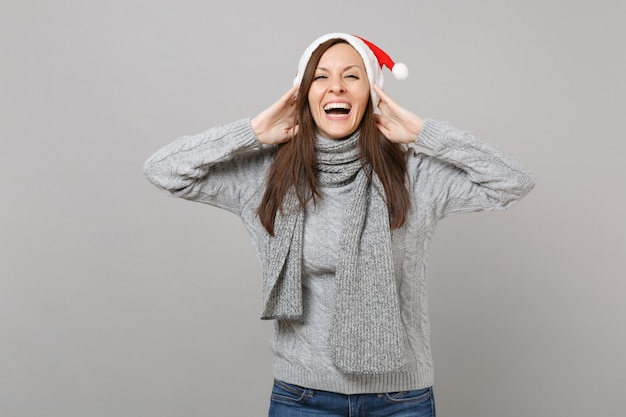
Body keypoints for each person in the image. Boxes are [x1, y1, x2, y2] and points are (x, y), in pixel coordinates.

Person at [143, 33, 534, 417]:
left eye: (352, 76)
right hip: (302, 397)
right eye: (321, 76)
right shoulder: (266, 174)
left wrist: (426, 134)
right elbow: (162, 170)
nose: (336, 88)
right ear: (303, 94)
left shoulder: (413, 173)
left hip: (401, 399)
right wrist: (251, 132)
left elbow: (513, 181)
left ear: (372, 93)